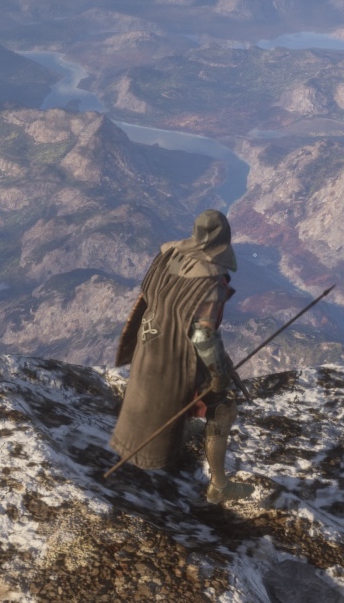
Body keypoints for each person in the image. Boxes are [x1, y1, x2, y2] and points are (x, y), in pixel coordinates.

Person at [108, 209, 255, 503]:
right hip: (178, 357)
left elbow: (150, 298)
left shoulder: (169, 257)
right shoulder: (210, 282)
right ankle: (219, 486)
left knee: (155, 400)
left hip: (150, 343)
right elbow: (202, 335)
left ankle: (179, 434)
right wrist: (219, 374)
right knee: (222, 407)